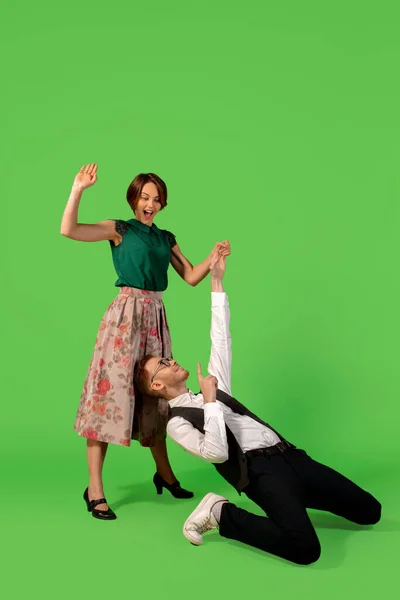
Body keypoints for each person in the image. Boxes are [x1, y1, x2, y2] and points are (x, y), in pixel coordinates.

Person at [134, 251, 381, 564]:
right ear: (157, 385)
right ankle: (220, 513)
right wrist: (210, 402)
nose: (172, 360)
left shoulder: (213, 386)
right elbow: (217, 453)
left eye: (167, 357)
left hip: (292, 456)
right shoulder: (176, 424)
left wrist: (217, 282)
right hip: (261, 473)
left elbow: (221, 338)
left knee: (370, 511)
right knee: (305, 549)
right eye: (163, 364)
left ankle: (293, 502)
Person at [60, 163, 230, 520]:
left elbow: (190, 276)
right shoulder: (119, 229)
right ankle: (95, 489)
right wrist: (78, 189)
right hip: (123, 319)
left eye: (156, 199)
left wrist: (214, 259)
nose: (150, 203)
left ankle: (165, 474)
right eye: (144, 196)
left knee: (159, 400)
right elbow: (69, 230)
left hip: (155, 316)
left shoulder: (165, 238)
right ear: (133, 198)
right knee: (106, 399)